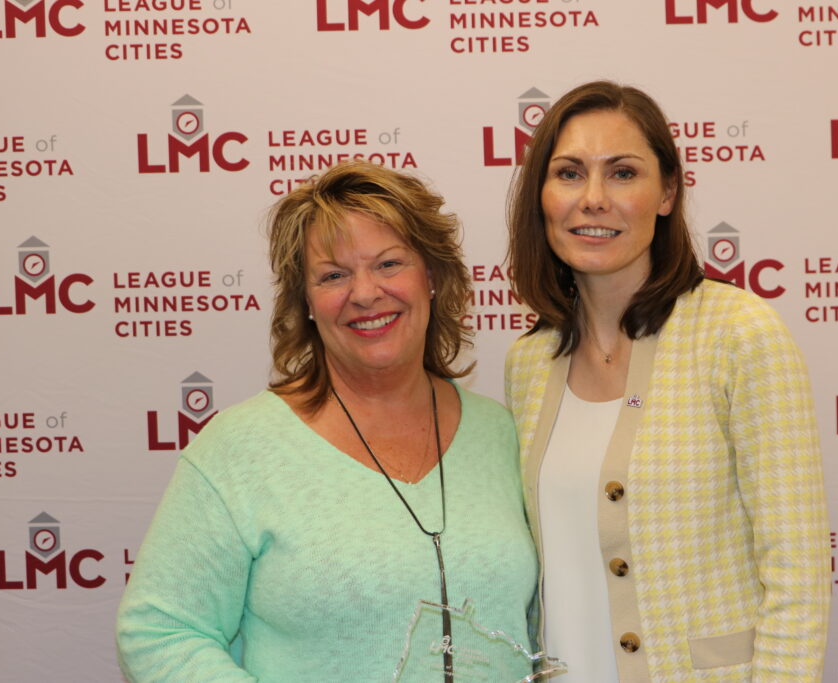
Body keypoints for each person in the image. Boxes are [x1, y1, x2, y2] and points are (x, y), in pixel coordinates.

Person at [117, 161, 539, 681]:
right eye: (333, 275)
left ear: (431, 276)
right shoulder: (241, 448)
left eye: (388, 264)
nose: (364, 294)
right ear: (307, 303)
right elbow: (159, 630)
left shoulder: (502, 434)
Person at [505, 81, 830, 681]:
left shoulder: (739, 335)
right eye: (570, 173)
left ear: (667, 192)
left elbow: (798, 575)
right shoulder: (528, 363)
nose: (594, 199)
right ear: (542, 197)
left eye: (623, 173)